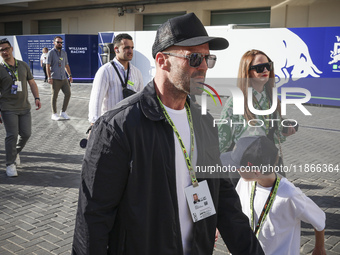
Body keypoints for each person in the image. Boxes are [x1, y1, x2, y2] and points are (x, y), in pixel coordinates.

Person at [72, 13, 264, 255]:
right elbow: (93, 218)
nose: (204, 66)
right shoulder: (118, 127)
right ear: (162, 61)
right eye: (194, 58)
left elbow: (225, 200)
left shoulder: (204, 122)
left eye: (208, 58)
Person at [221, 136, 326, 255]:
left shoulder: (289, 195)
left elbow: (319, 219)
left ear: (256, 172)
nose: (235, 169)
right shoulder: (245, 183)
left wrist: (319, 248)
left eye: (239, 167)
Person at [218, 49, 296, 185]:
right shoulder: (235, 102)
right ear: (247, 72)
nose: (265, 70)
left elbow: (275, 133)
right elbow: (222, 140)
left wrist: (285, 131)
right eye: (260, 68)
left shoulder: (272, 99)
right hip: (244, 168)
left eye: (268, 65)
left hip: (268, 165)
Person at [0, 38, 42, 177]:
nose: (5, 52)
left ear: (11, 48)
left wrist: (37, 98)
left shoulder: (23, 65)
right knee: (12, 135)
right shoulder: (0, 68)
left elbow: (32, 83)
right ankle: (10, 164)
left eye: (6, 49)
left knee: (26, 134)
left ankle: (15, 152)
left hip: (24, 107)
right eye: (1, 50)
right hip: (7, 107)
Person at [88, 33, 143, 125]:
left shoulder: (136, 72)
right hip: (111, 124)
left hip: (131, 124)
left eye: (132, 48)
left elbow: (140, 98)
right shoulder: (105, 71)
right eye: (126, 48)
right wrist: (94, 125)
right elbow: (96, 100)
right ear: (116, 49)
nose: (130, 51)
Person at [46, 36, 72, 121]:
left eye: (61, 42)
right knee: (54, 96)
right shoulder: (51, 53)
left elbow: (66, 65)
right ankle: (54, 114)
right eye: (58, 42)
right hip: (55, 78)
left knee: (68, 94)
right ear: (54, 43)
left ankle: (63, 112)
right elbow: (47, 65)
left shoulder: (64, 53)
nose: (60, 44)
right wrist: (49, 77)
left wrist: (70, 75)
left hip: (64, 78)